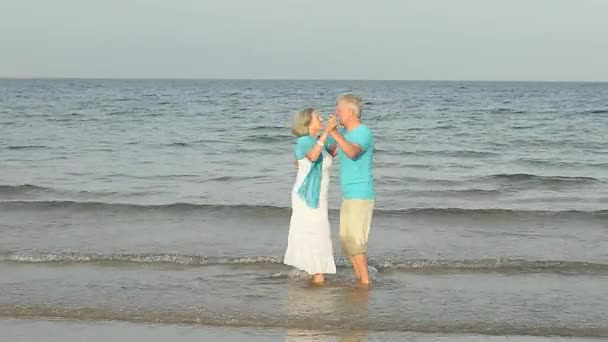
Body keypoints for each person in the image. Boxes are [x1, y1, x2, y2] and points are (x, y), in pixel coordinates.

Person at [326, 94, 375, 286]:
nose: (337, 113)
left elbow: (353, 151)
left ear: (351, 112)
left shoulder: (363, 132)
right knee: (347, 243)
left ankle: (365, 283)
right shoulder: (345, 134)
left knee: (355, 242)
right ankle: (360, 280)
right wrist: (324, 134)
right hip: (349, 195)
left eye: (339, 110)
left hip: (361, 194)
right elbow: (333, 151)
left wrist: (335, 133)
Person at [283, 108, 336, 284]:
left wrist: (336, 128)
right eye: (317, 117)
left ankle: (314, 270)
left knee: (317, 231)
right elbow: (313, 156)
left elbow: (334, 151)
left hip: (319, 194)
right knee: (316, 231)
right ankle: (318, 272)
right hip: (306, 196)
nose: (321, 119)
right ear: (308, 123)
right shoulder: (304, 141)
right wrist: (327, 131)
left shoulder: (318, 140)